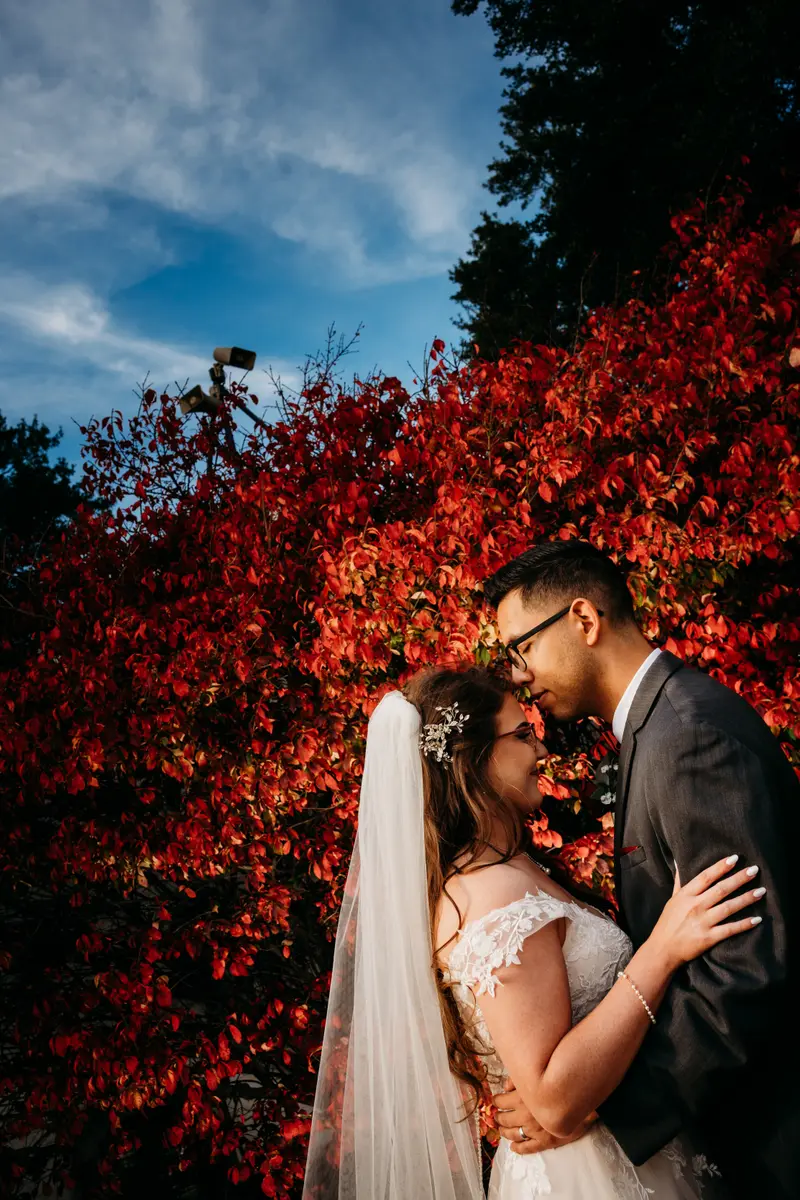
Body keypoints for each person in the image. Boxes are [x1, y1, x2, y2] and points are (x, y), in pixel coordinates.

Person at [302, 663, 763, 1199]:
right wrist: (661, 951)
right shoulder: (495, 895)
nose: (542, 752)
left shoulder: (511, 869)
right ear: (470, 760)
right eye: (521, 735)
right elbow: (553, 1099)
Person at [483, 540, 800, 1199]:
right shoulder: (659, 727)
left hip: (772, 1137)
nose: (518, 675)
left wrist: (602, 1106)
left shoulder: (687, 736)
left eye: (522, 649)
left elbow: (748, 966)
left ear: (584, 620)